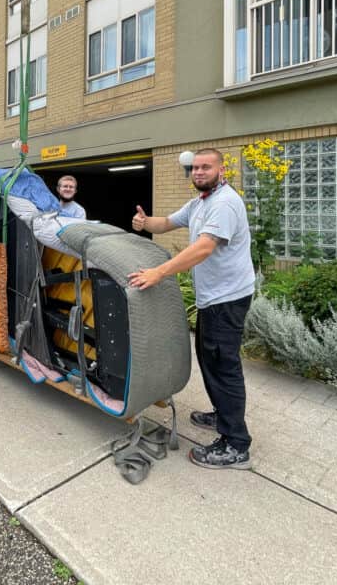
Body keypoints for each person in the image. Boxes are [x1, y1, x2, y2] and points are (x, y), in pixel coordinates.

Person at [127, 148, 256, 470]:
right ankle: (222, 415)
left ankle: (236, 443)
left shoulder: (224, 203)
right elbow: (167, 223)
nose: (199, 172)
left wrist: (159, 272)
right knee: (210, 360)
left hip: (227, 299)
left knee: (223, 367)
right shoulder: (200, 202)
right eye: (195, 167)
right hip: (214, 298)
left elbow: (204, 247)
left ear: (221, 170)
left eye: (206, 167)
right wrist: (144, 223)